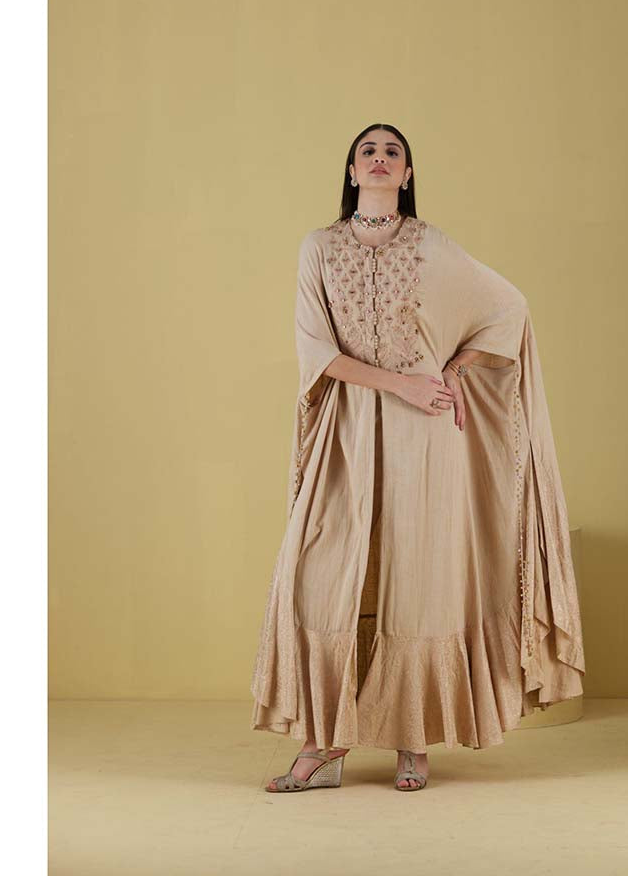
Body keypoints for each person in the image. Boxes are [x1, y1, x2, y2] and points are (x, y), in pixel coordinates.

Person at [251, 123, 585, 792]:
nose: (380, 158)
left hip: (426, 438)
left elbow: (509, 308)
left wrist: (453, 370)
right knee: (319, 573)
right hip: (348, 428)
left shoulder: (432, 245)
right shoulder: (319, 247)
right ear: (352, 171)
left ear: (406, 175)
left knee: (420, 575)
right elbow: (317, 350)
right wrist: (399, 383)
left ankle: (413, 738)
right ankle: (324, 744)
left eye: (393, 152)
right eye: (368, 151)